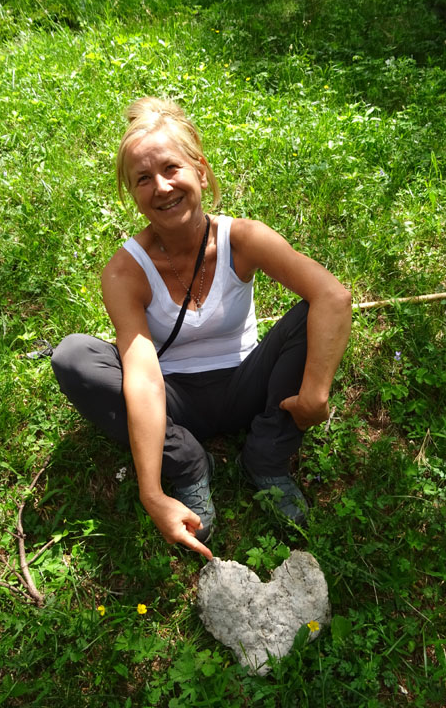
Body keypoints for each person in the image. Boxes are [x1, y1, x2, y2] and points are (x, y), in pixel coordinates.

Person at [51, 97, 352, 560]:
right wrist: (152, 493)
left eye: (171, 168)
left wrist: (314, 394)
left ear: (201, 171)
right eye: (143, 179)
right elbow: (144, 375)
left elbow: (333, 296)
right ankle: (189, 463)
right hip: (175, 399)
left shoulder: (244, 238)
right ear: (131, 194)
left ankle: (266, 456)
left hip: (247, 383)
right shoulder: (124, 271)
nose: (162, 187)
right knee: (73, 356)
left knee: (310, 318)